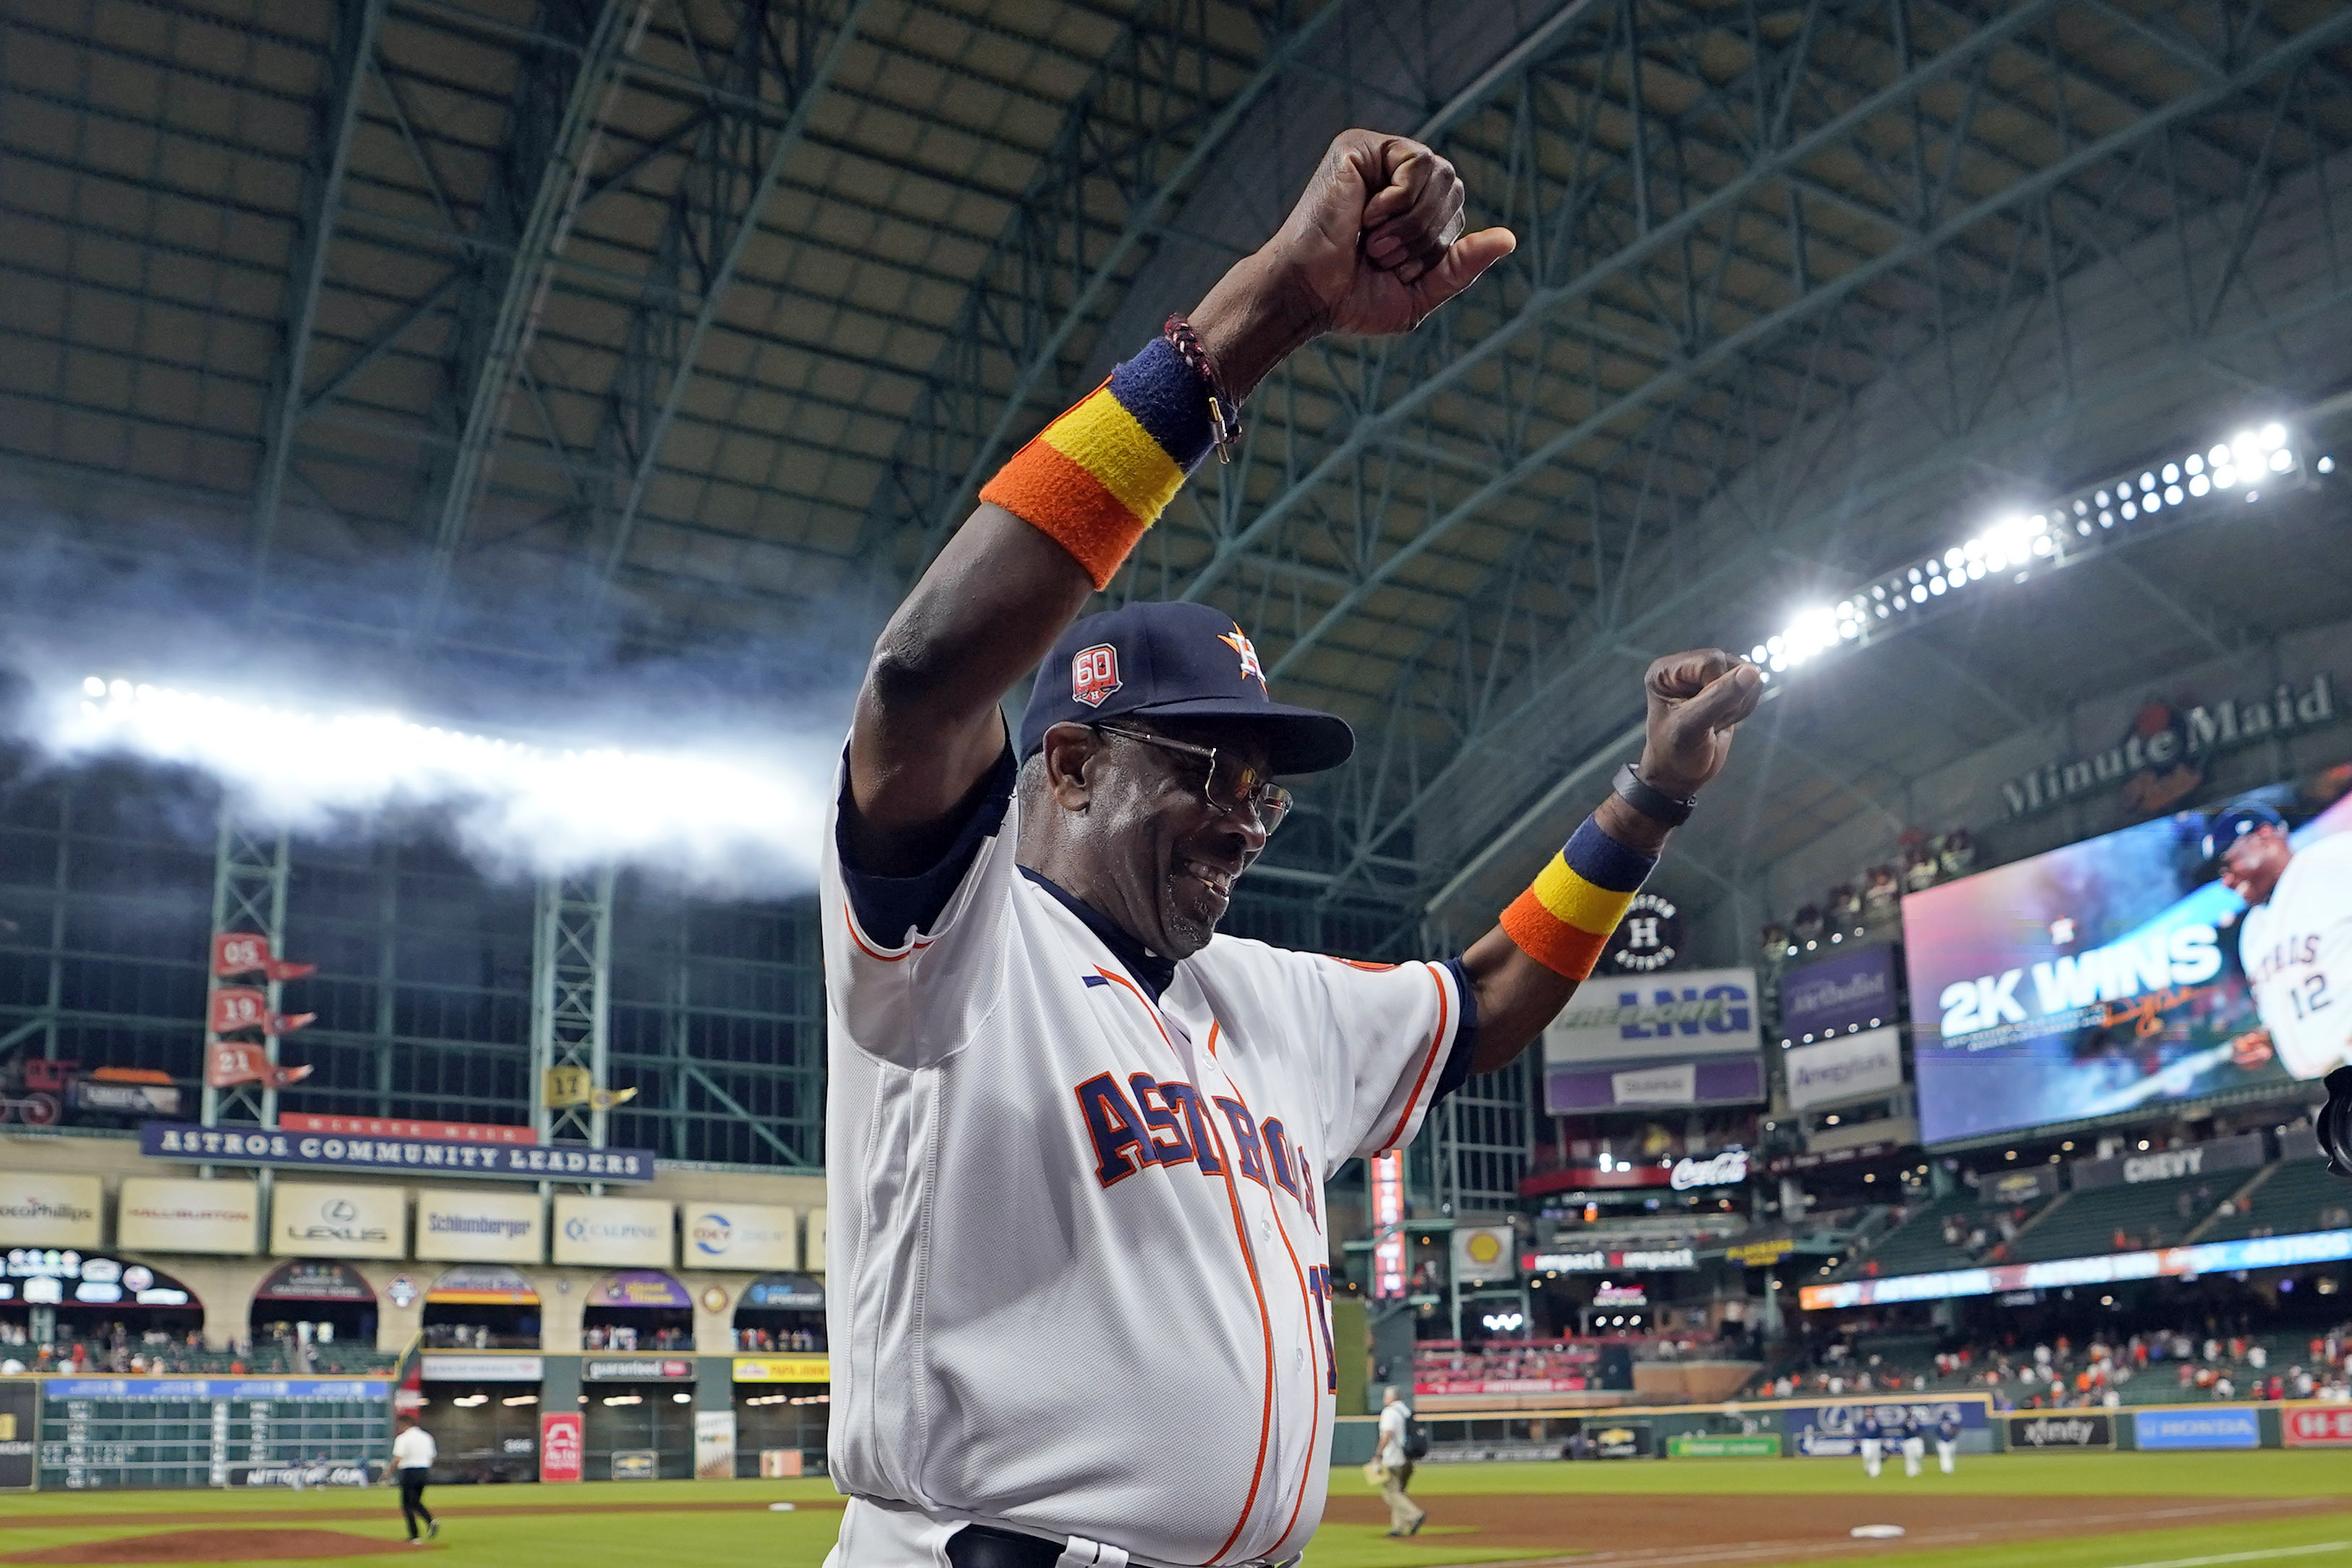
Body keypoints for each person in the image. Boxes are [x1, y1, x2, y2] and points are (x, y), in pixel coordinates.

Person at [816, 127, 1762, 1568]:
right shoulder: (957, 943)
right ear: (1067, 762)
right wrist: (1254, 329)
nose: (1245, 823)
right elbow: (926, 678)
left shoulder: (1268, 998)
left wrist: (1649, 796)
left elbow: (1491, 990)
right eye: (1209, 773)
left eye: (1266, 793)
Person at [2211, 802, 2352, 1079]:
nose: (2226, 882)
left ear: (2264, 836)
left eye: (2227, 864)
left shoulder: (2335, 859)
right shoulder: (2251, 931)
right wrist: (2271, 1039)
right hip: (2320, 1091)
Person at [1376, 1386, 1425, 1538]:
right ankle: (1398, 1528)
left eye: (1386, 1396)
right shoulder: (1406, 1410)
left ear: (1392, 1397)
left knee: (1391, 1493)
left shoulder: (1389, 1412)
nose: (1384, 1399)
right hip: (1408, 1458)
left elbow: (1387, 1434)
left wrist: (1378, 1454)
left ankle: (1415, 1515)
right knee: (1399, 1492)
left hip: (1393, 1459)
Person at [390, 1413, 436, 1546]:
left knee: (407, 1505)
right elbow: (432, 1456)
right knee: (415, 1501)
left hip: (409, 1471)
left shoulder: (403, 1438)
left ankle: (414, 1535)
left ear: (403, 1424)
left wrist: (389, 1472)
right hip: (424, 1471)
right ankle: (430, 1521)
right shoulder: (427, 1437)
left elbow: (397, 1458)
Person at [1857, 1409, 1883, 1478]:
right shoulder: (1863, 1422)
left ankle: (1875, 1473)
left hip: (1876, 1440)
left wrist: (1882, 1440)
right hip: (1867, 1441)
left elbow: (1880, 1431)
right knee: (1867, 1456)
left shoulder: (1877, 1421)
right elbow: (1860, 1431)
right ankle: (1868, 1469)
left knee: (1876, 1457)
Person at [1934, 1408, 1962, 1473]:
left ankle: (1947, 1469)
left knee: (1946, 1456)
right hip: (1946, 1440)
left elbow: (1936, 1432)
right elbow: (1957, 1429)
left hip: (1946, 1440)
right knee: (1947, 1456)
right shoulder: (1951, 1422)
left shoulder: (1941, 1422)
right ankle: (1947, 1469)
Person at [1900, 1410, 1925, 1478]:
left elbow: (1921, 1429)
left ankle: (1917, 1468)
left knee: (1919, 1454)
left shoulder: (1916, 1420)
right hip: (1908, 1440)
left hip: (1916, 1439)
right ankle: (1911, 1471)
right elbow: (1903, 1429)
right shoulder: (1905, 1421)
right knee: (1909, 1457)